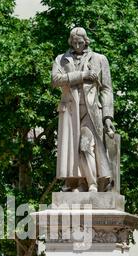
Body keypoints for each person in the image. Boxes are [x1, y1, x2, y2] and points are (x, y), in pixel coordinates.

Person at [52, 27, 115, 192]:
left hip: (91, 110)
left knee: (85, 145)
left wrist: (108, 117)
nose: (77, 45)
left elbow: (107, 90)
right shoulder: (61, 59)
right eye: (74, 42)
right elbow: (55, 80)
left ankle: (93, 183)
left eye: (80, 42)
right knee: (72, 150)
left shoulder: (100, 59)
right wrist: (83, 75)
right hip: (70, 110)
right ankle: (80, 182)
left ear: (86, 41)